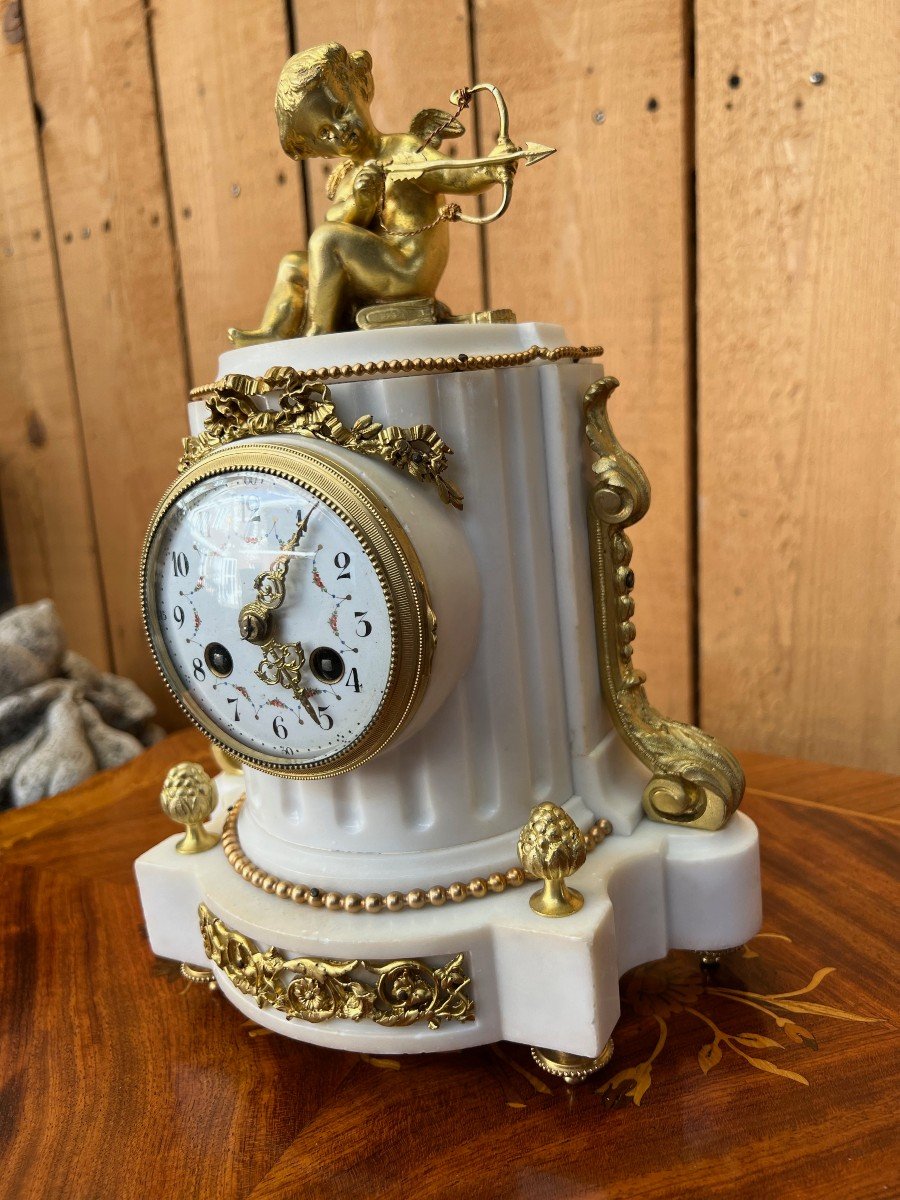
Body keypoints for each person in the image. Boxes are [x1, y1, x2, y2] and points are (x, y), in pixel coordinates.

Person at [228, 43, 513, 343]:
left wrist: (491, 168)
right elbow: (335, 217)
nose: (339, 130)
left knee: (326, 240)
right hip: (377, 268)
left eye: (341, 110)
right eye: (324, 134)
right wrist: (360, 203)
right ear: (318, 150)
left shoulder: (404, 149)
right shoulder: (348, 174)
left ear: (360, 89)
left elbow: (454, 175)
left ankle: (319, 333)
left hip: (407, 268)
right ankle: (275, 329)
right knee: (293, 264)